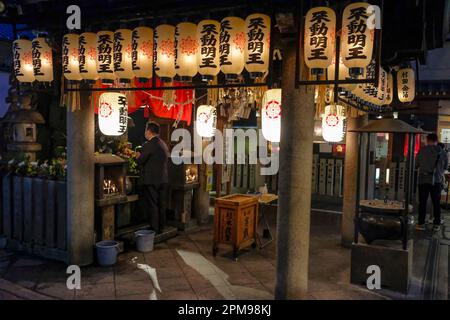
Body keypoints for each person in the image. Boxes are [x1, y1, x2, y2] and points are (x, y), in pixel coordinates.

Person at [136, 122, 170, 234]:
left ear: (149, 131)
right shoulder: (162, 143)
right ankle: (161, 227)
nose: (145, 132)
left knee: (153, 205)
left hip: (152, 180)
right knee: (161, 204)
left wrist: (137, 157)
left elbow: (141, 161)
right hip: (163, 179)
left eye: (146, 130)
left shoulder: (149, 144)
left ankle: (154, 228)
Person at [415, 133, 448, 231]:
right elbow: (445, 166)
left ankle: (421, 223)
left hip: (423, 180)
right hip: (436, 180)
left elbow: (416, 164)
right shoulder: (442, 152)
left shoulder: (422, 150)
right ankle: (436, 224)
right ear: (436, 140)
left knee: (423, 202)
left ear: (427, 140)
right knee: (436, 202)